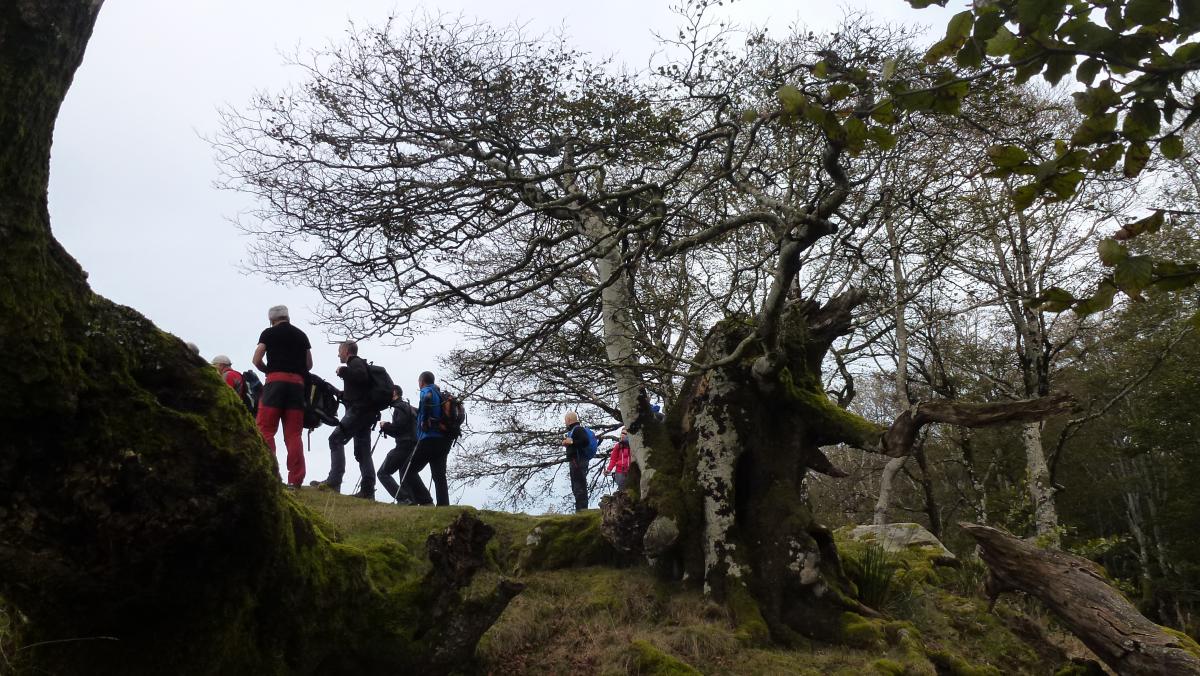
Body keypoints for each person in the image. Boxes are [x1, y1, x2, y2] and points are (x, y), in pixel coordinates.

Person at [252, 305, 312, 490]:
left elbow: (256, 359)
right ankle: (295, 480)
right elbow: (309, 364)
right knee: (293, 434)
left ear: (271, 319)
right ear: (288, 316)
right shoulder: (301, 335)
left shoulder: (268, 333)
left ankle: (270, 473)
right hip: (296, 385)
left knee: (266, 429)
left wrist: (268, 370)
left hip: (275, 382)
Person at [312, 341, 377, 499]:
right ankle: (367, 490)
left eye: (339, 350)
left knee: (335, 439)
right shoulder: (359, 364)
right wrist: (338, 392)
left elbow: (360, 377)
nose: (338, 354)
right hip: (366, 413)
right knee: (363, 451)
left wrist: (343, 371)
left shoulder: (354, 362)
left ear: (347, 351)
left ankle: (334, 481)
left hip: (358, 412)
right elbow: (358, 389)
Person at [401, 371, 453, 506]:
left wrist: (424, 421)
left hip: (429, 439)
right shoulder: (440, 395)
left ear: (421, 382)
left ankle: (425, 501)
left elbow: (426, 398)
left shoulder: (427, 390)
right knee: (439, 476)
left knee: (407, 470)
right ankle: (443, 506)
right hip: (444, 440)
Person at [377, 386, 418, 504]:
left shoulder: (400, 407)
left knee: (382, 473)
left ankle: (403, 498)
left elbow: (399, 428)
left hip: (404, 445)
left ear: (394, 393)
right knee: (404, 474)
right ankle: (410, 501)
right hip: (412, 445)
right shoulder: (407, 407)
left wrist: (385, 426)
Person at [561, 411, 589, 512]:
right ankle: (580, 511)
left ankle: (582, 511)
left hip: (578, 462)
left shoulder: (578, 429)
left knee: (579, 487)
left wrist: (571, 442)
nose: (565, 423)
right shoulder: (574, 430)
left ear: (568, 420)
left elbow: (585, 441)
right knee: (576, 487)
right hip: (576, 461)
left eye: (565, 421)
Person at [605, 428, 631, 492]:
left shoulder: (633, 446)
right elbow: (613, 459)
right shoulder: (618, 446)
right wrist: (609, 469)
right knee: (622, 490)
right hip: (620, 471)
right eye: (622, 433)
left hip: (631, 471)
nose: (622, 435)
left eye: (625, 433)